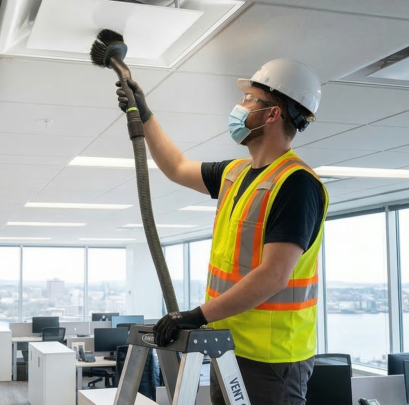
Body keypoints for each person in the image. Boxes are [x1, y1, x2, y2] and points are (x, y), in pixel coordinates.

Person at [115, 59, 328, 405]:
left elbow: (274, 275)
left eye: (249, 100)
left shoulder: (296, 185)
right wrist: (146, 114)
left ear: (273, 114)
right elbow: (177, 167)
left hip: (271, 360)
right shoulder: (236, 173)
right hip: (227, 345)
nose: (239, 108)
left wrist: (197, 316)